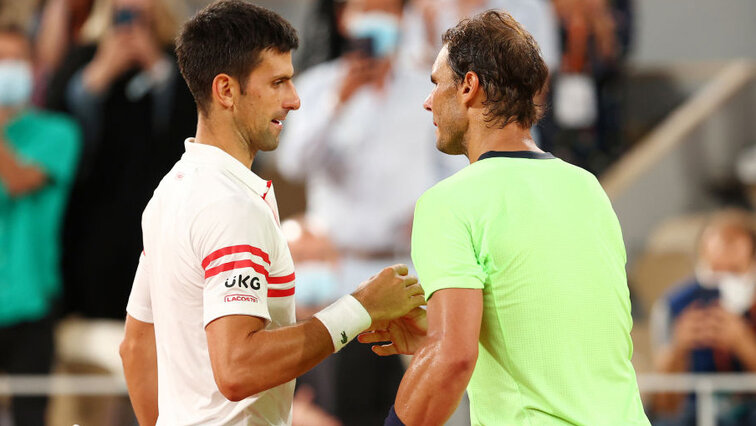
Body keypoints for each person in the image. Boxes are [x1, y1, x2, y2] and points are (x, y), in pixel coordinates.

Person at [118, 2, 425, 425]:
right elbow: (238, 367)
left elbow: (135, 346)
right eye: (278, 82)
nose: (294, 100)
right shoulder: (231, 207)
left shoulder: (171, 191)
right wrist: (360, 307)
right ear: (226, 90)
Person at [359, 10, 649, 425]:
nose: (427, 102)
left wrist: (444, 342)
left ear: (469, 87)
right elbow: (561, 327)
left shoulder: (449, 202)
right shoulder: (587, 188)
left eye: (436, 83)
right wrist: (443, 329)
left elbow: (453, 359)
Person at [45, 0, 197, 320]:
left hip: (161, 214)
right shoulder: (83, 57)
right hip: (92, 219)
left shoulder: (180, 62)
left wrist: (158, 71)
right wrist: (95, 80)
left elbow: (194, 129)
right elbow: (59, 137)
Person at [0, 25, 81, 426]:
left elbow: (17, 181)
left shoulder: (58, 133)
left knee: (31, 416)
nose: (6, 69)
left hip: (32, 301)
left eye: (15, 59)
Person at [650, 209, 756, 425]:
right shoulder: (675, 305)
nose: (723, 281)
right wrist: (679, 349)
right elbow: (662, 403)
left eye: (734, 271)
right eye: (716, 271)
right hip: (694, 413)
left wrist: (743, 344)